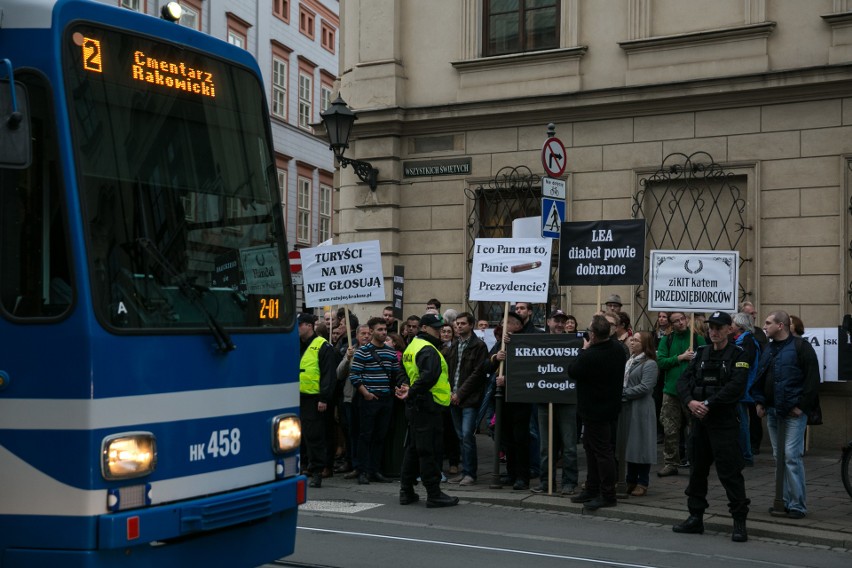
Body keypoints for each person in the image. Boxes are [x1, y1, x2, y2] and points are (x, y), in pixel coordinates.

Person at [673, 311, 751, 543]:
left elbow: (735, 387)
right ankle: (695, 517)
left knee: (730, 473)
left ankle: (739, 522)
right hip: (700, 423)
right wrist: (690, 402)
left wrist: (707, 403)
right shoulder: (701, 353)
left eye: (719, 327)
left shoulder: (739, 354)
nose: (714, 331)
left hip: (724, 423)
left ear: (729, 329)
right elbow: (683, 381)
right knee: (697, 472)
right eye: (711, 327)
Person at [751, 310, 820, 519]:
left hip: (793, 413)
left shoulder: (801, 347)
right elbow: (760, 376)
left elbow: (812, 379)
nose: (764, 326)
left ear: (780, 325)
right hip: (773, 410)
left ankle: (797, 504)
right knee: (778, 456)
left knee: (791, 456)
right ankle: (783, 501)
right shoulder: (768, 348)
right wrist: (760, 401)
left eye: (768, 322)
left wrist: (801, 406)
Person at [396, 313, 458, 508]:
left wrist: (405, 387)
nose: (440, 331)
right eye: (436, 328)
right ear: (424, 328)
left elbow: (401, 372)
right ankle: (434, 493)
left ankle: (406, 491)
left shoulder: (411, 347)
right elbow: (429, 376)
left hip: (416, 405)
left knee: (413, 449)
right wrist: (411, 390)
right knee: (429, 450)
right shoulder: (428, 349)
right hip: (428, 406)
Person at [568, 314, 627, 511]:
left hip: (595, 410)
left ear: (592, 335)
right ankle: (592, 488)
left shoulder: (591, 355)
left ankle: (608, 494)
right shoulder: (618, 349)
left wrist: (583, 350)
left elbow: (573, 370)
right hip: (608, 407)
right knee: (591, 450)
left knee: (602, 453)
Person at [349, 317, 401, 485]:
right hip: (369, 400)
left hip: (386, 399)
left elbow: (396, 374)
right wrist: (366, 394)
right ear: (371, 331)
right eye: (379, 330)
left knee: (380, 436)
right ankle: (363, 471)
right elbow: (354, 375)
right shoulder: (362, 351)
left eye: (385, 330)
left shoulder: (390, 352)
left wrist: (398, 388)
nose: (383, 332)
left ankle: (375, 470)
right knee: (366, 436)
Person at [533, 308, 579, 496]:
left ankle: (569, 482)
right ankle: (546, 482)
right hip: (545, 400)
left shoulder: (574, 342)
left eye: (563, 321)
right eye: (556, 320)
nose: (560, 324)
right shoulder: (538, 341)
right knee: (546, 447)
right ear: (548, 322)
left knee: (569, 446)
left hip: (567, 400)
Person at [657, 311, 705, 477]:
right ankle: (671, 463)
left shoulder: (697, 338)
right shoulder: (667, 339)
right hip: (671, 391)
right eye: (676, 321)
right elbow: (661, 361)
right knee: (670, 429)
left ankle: (696, 461)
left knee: (694, 430)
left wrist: (695, 360)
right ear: (671, 324)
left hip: (692, 393)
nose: (680, 323)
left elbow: (706, 360)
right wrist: (680, 358)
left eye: (682, 319)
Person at [445, 312, 489, 486]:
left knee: (467, 435)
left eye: (462, 323)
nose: (459, 326)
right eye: (457, 324)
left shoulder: (479, 346)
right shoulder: (455, 345)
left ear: (471, 325)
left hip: (469, 398)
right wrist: (449, 392)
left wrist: (460, 394)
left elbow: (477, 374)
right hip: (453, 397)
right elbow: (449, 371)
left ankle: (470, 473)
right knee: (460, 436)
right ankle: (465, 472)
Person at [492, 311, 532, 489]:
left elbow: (529, 370)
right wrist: (496, 357)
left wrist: (508, 380)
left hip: (520, 400)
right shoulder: (501, 343)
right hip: (503, 400)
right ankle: (511, 473)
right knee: (507, 439)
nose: (502, 325)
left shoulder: (525, 342)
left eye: (506, 322)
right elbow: (487, 364)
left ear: (517, 325)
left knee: (520, 439)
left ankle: (522, 476)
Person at [298, 313, 337, 488]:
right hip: (295, 397)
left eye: (299, 325)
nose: (296, 328)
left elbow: (328, 375)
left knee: (314, 436)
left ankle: (317, 472)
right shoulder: (295, 344)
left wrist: (324, 398)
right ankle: (303, 466)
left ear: (309, 326)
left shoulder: (323, 346)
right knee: (297, 436)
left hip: (313, 399)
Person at [619, 331, 658, 497]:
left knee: (642, 443)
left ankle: (643, 481)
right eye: (631, 340)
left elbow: (645, 387)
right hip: (628, 407)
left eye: (636, 340)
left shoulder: (649, 364)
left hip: (642, 407)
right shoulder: (629, 361)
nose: (632, 342)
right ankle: (630, 479)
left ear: (645, 344)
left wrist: (622, 393)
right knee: (630, 444)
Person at [336, 324, 372, 479]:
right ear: (357, 335)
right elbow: (339, 374)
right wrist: (347, 359)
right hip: (352, 397)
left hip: (369, 396)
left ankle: (367, 465)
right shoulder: (351, 350)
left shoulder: (373, 350)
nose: (366, 336)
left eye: (368, 333)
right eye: (363, 333)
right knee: (353, 433)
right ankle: (354, 464)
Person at [731, 312, 761, 466]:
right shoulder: (744, 340)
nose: (730, 325)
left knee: (742, 422)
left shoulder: (746, 342)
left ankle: (746, 456)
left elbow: (743, 366)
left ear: (740, 326)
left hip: (743, 388)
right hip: (743, 388)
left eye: (733, 323)